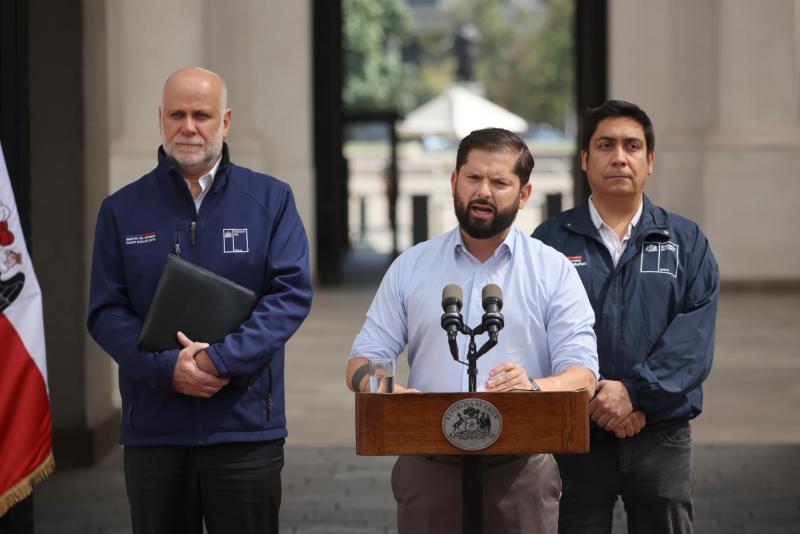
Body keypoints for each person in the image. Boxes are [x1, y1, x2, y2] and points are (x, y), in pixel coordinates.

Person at [87, 67, 312, 534]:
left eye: (202, 115)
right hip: (154, 429)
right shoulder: (120, 210)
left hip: (245, 427)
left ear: (225, 121)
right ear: (161, 119)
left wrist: (219, 361)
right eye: (177, 114)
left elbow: (290, 295)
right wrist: (166, 369)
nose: (188, 126)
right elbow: (106, 312)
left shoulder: (271, 200)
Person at [346, 128, 599, 534]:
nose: (484, 191)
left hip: (521, 468)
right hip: (429, 462)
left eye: (499, 182)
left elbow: (583, 375)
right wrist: (388, 390)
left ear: (524, 194)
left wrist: (532, 387)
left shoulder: (552, 270)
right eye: (473, 178)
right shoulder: (411, 267)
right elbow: (362, 362)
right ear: (454, 181)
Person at [533, 99, 719, 534]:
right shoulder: (548, 242)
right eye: (605, 145)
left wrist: (635, 394)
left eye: (632, 146)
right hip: (573, 435)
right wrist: (598, 401)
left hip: (661, 434)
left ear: (649, 161)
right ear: (585, 159)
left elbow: (694, 339)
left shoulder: (686, 241)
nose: (619, 156)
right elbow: (536, 333)